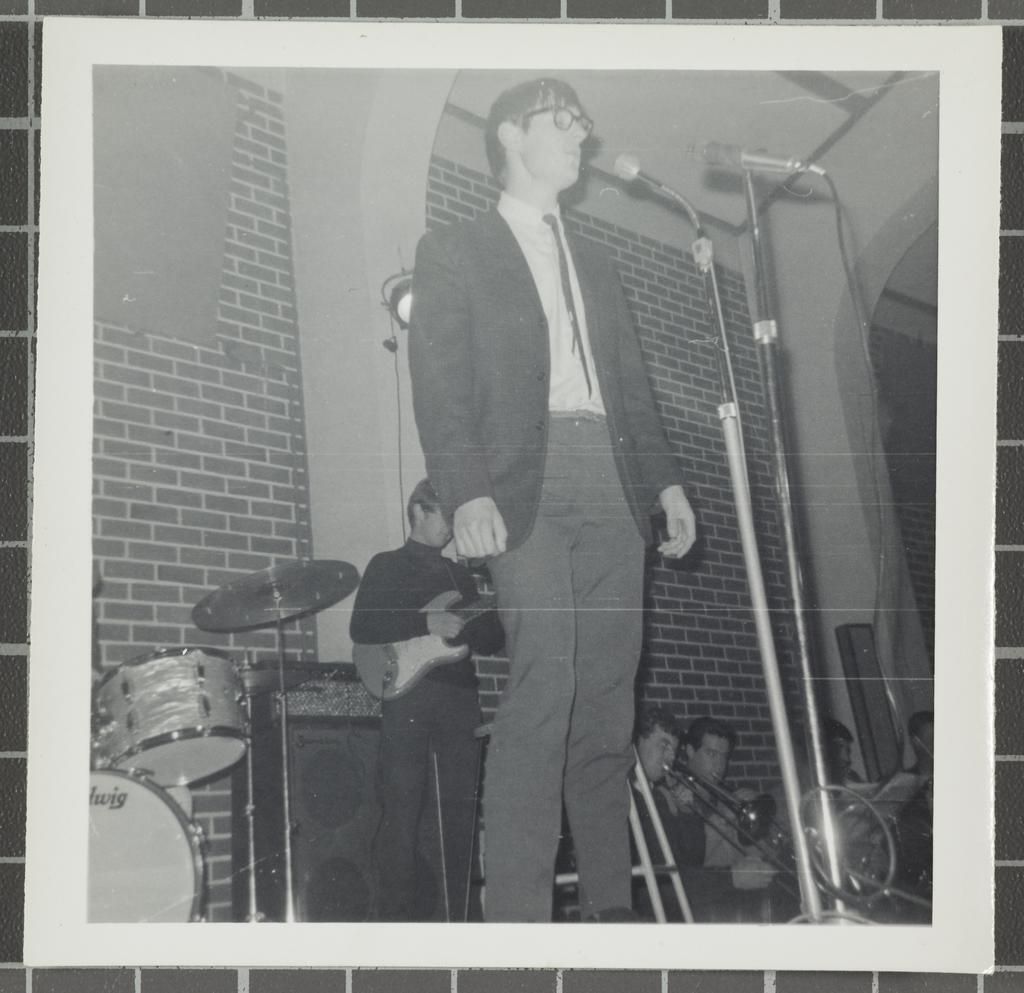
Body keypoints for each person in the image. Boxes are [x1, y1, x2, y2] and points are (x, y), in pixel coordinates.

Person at [408, 77, 697, 922]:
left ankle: (610, 916)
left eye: (583, 124)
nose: (581, 135)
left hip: (611, 475)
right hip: (524, 481)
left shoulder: (599, 258)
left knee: (609, 702)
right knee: (545, 688)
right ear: (508, 135)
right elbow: (440, 384)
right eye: (561, 123)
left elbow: (633, 387)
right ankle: (519, 929)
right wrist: (465, 492)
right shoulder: (454, 248)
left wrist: (668, 481)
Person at [349, 479, 501, 921]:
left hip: (459, 699)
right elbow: (363, 629)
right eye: (446, 518)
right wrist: (427, 620)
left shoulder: (458, 573)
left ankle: (463, 922)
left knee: (461, 817)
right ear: (418, 512)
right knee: (401, 813)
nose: (453, 530)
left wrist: (498, 607)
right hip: (408, 696)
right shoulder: (387, 564)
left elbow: (489, 639)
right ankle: (398, 929)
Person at [636, 712, 780, 922]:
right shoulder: (665, 794)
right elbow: (683, 868)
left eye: (724, 757)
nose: (719, 765)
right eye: (711, 754)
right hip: (694, 905)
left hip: (723, 900)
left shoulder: (726, 798)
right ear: (690, 751)